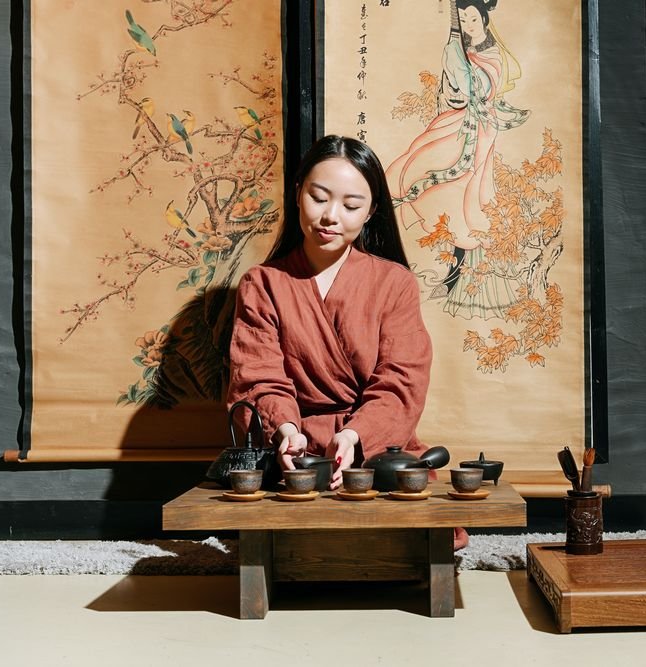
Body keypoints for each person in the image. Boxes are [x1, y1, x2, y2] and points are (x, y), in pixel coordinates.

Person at [226, 135, 468, 549]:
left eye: (351, 206)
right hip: (295, 455)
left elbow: (401, 382)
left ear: (372, 212)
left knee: (400, 541)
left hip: (372, 450)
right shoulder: (262, 284)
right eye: (318, 198)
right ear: (298, 192)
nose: (330, 217)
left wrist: (356, 436)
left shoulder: (394, 283)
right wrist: (285, 430)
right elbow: (258, 377)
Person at [386, 0, 529, 320]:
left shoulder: (490, 55)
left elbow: (472, 90)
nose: (468, 23)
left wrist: (455, 57)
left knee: (469, 205)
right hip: (457, 126)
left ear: (485, 18)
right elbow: (452, 91)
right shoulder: (461, 50)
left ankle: (463, 284)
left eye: (473, 17)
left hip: (475, 136)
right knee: (434, 188)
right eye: (462, 18)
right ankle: (446, 277)